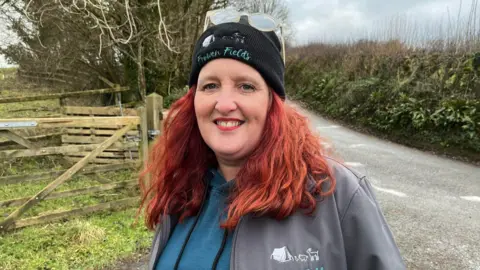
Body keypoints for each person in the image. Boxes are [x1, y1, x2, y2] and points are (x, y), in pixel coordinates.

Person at [139, 8, 405, 270]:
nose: (225, 103)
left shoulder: (335, 193)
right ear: (193, 101)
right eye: (210, 85)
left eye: (246, 86)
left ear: (272, 102)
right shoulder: (182, 191)